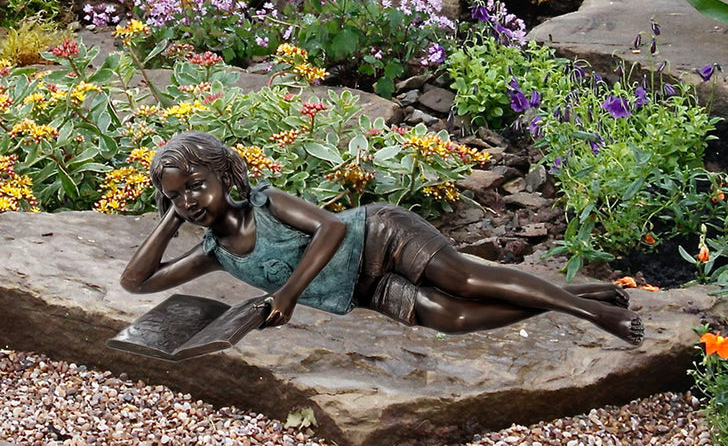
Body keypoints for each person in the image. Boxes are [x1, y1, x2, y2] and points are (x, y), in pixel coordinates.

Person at [121, 131, 644, 345]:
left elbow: (331, 227)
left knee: (463, 278)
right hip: (361, 290)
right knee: (452, 317)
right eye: (176, 195)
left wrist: (287, 294)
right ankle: (573, 298)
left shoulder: (267, 202)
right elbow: (137, 284)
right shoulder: (213, 254)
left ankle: (597, 315)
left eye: (196, 187)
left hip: (379, 236)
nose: (190, 200)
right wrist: (169, 218)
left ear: (224, 178)